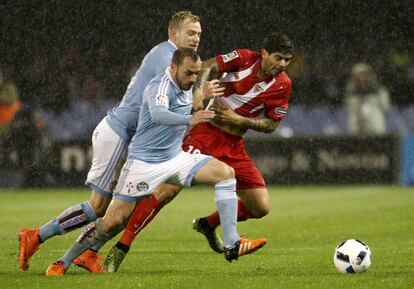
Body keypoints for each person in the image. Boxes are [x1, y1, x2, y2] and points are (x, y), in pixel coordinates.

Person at [45, 48, 267, 276]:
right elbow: (159, 114)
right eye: (189, 73)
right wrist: (192, 116)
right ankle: (64, 260)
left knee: (225, 173)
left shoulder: (188, 87)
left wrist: (201, 96)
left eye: (195, 74)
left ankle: (232, 243)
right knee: (112, 221)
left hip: (175, 158)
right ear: (173, 68)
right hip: (144, 163)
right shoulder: (158, 86)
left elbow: (191, 103)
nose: (193, 78)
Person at [17, 10, 208, 272]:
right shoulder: (166, 57)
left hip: (132, 138)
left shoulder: (173, 59)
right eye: (190, 32)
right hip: (117, 132)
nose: (196, 38)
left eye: (198, 33)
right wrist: (195, 105)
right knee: (99, 207)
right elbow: (162, 108)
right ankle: (36, 236)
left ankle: (89, 253)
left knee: (126, 206)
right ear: (173, 34)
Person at [102, 32, 294, 272]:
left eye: (287, 60)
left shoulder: (283, 84)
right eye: (279, 58)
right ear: (264, 53)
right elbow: (207, 65)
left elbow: (271, 125)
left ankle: (207, 224)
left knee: (261, 207)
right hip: (204, 133)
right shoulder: (245, 58)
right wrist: (199, 95)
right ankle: (122, 246)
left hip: (233, 144)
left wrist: (238, 118)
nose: (283, 65)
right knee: (166, 191)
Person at [344, 62, 391, 135]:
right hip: (358, 124)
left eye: (364, 75)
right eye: (359, 75)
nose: (362, 78)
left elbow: (385, 106)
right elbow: (350, 107)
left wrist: (371, 102)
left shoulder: (378, 90)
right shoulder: (351, 91)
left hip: (374, 124)